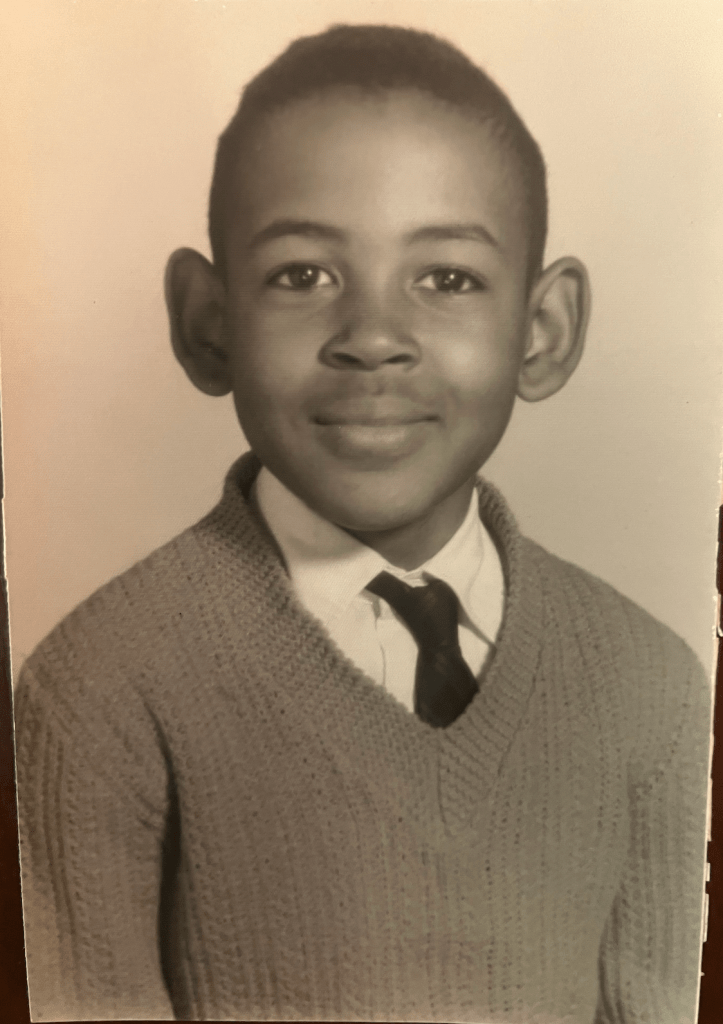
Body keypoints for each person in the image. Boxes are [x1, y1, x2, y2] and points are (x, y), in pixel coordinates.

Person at [13, 24, 710, 1024]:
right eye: (303, 274)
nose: (375, 339)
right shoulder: (102, 689)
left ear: (543, 330)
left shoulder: (653, 689)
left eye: (448, 278)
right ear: (208, 322)